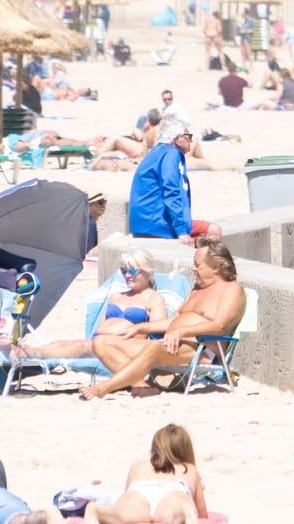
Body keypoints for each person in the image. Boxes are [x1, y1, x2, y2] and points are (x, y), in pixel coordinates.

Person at [83, 237, 247, 399]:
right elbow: (173, 322)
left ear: (216, 267)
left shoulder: (231, 290)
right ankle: (143, 386)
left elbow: (219, 326)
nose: (193, 268)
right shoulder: (196, 289)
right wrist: (141, 328)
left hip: (199, 349)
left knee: (153, 348)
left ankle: (104, 388)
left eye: (197, 265)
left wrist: (180, 332)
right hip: (171, 344)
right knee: (102, 342)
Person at [14, 248, 169, 360]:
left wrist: (137, 331)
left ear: (147, 272)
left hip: (124, 347)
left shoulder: (154, 299)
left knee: (79, 347)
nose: (127, 275)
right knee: (65, 343)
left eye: (133, 271)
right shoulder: (116, 296)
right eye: (124, 271)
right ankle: (32, 351)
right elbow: (101, 325)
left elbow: (159, 328)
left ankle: (31, 354)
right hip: (99, 342)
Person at [85, 423, 210, 524]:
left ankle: (97, 510)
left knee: (121, 513)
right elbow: (202, 513)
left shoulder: (138, 466)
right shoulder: (188, 469)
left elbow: (127, 494)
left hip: (139, 493)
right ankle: (183, 512)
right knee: (175, 513)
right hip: (173, 495)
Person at [127, 119, 209, 241]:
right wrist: (181, 231)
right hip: (157, 224)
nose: (190, 140)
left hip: (141, 224)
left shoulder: (156, 152)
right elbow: (171, 191)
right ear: (177, 139)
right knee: (213, 231)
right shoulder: (172, 153)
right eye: (188, 136)